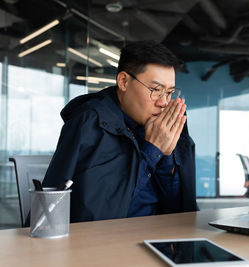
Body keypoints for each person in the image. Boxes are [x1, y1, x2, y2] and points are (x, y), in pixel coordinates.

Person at [42, 41, 198, 223]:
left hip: (158, 239)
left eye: (169, 92)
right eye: (156, 90)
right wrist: (152, 150)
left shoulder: (164, 123)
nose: (163, 102)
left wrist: (166, 157)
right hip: (110, 244)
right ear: (124, 81)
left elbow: (181, 212)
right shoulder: (91, 122)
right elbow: (99, 217)